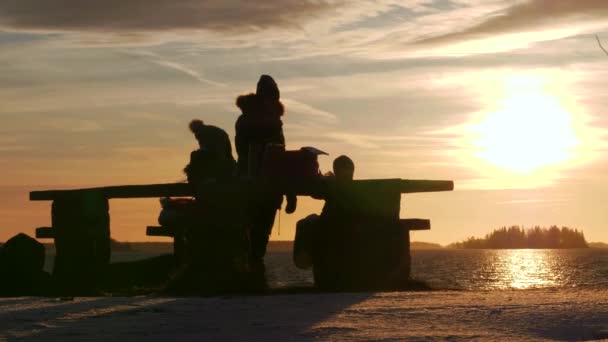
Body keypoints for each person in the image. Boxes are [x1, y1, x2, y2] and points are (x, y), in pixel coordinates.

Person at [234, 75, 296, 269]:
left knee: (252, 229)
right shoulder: (270, 122)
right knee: (257, 230)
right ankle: (253, 268)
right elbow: (279, 156)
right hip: (261, 184)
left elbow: (277, 156)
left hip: (253, 182)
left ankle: (251, 268)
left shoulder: (246, 119)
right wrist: (291, 193)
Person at [293, 155, 355, 269]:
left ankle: (304, 260)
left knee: (303, 223)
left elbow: (314, 192)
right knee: (312, 219)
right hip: (349, 223)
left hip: (329, 223)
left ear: (337, 170)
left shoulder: (331, 185)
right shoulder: (356, 187)